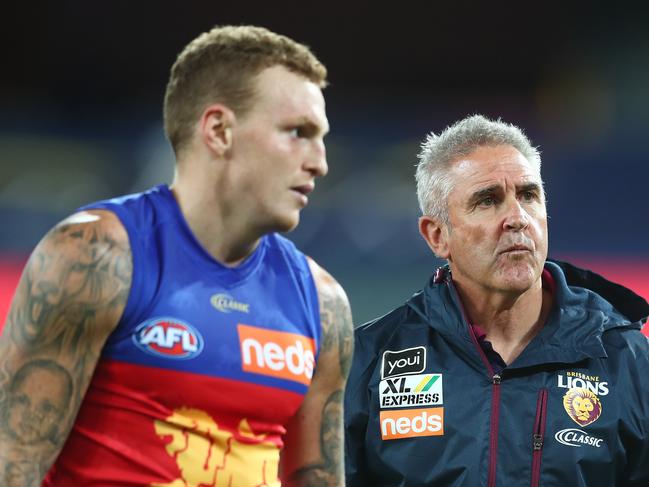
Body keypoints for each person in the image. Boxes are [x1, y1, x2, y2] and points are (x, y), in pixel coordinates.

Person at [0, 25, 353, 486]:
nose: (319, 162)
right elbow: (13, 464)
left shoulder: (322, 304)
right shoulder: (97, 258)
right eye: (297, 133)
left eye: (321, 137)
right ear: (219, 130)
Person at [344, 114, 649, 486]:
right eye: (487, 201)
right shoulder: (368, 360)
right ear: (437, 235)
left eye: (528, 195)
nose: (517, 218)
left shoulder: (626, 360)